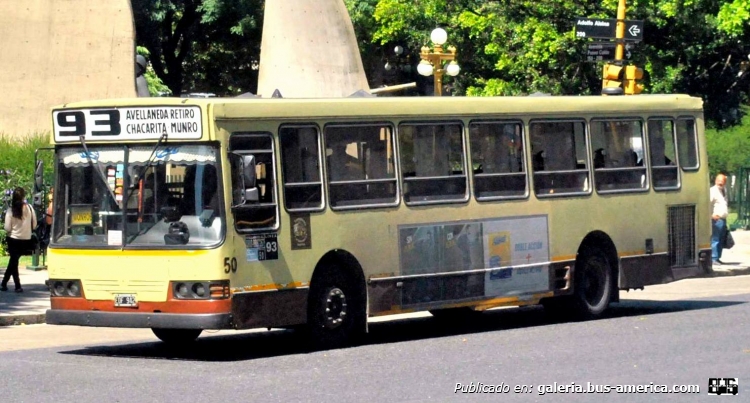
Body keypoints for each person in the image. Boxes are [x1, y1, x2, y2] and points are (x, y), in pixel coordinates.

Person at [2, 187, 37, 292]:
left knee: (14, 261)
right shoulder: (30, 208)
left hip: (13, 239)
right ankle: (9, 284)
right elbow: (34, 225)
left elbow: (7, 228)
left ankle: (12, 285)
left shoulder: (10, 211)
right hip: (26, 239)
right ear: (23, 196)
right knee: (14, 261)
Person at [710, 173, 728, 265]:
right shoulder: (713, 191)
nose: (721, 183)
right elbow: (707, 204)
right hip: (716, 219)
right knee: (715, 239)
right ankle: (713, 258)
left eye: (723, 181)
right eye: (719, 181)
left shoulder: (724, 190)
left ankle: (717, 257)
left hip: (723, 219)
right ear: (716, 181)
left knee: (721, 239)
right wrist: (711, 215)